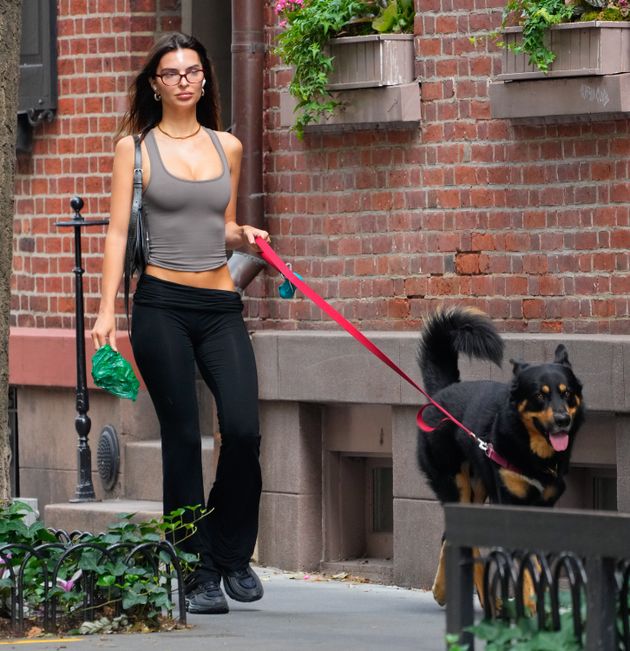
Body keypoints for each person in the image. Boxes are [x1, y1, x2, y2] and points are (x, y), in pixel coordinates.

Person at [91, 32, 270, 615]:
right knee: (183, 435)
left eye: (195, 71)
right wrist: (104, 312)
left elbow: (217, 223)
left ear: (205, 79)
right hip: (161, 304)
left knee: (244, 429)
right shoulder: (135, 149)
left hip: (220, 305)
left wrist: (245, 235)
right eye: (173, 73)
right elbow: (119, 232)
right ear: (155, 84)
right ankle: (193, 570)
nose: (186, 80)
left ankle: (230, 551)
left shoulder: (228, 147)